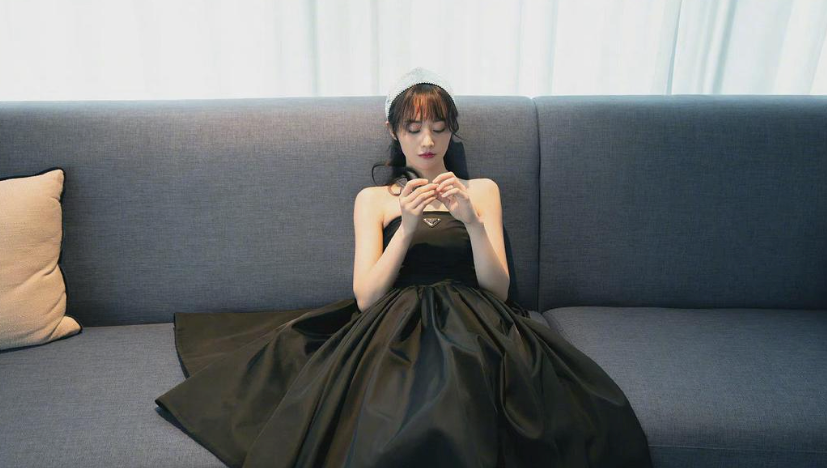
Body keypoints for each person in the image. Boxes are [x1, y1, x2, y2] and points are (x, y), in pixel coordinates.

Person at [154, 67, 654, 468]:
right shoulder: (373, 199)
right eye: (413, 129)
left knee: (482, 391)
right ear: (394, 132)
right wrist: (408, 226)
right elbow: (367, 297)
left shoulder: (482, 191)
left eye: (438, 128)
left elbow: (499, 290)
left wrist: (471, 222)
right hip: (393, 321)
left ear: (452, 130)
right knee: (393, 409)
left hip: (477, 317)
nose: (426, 141)